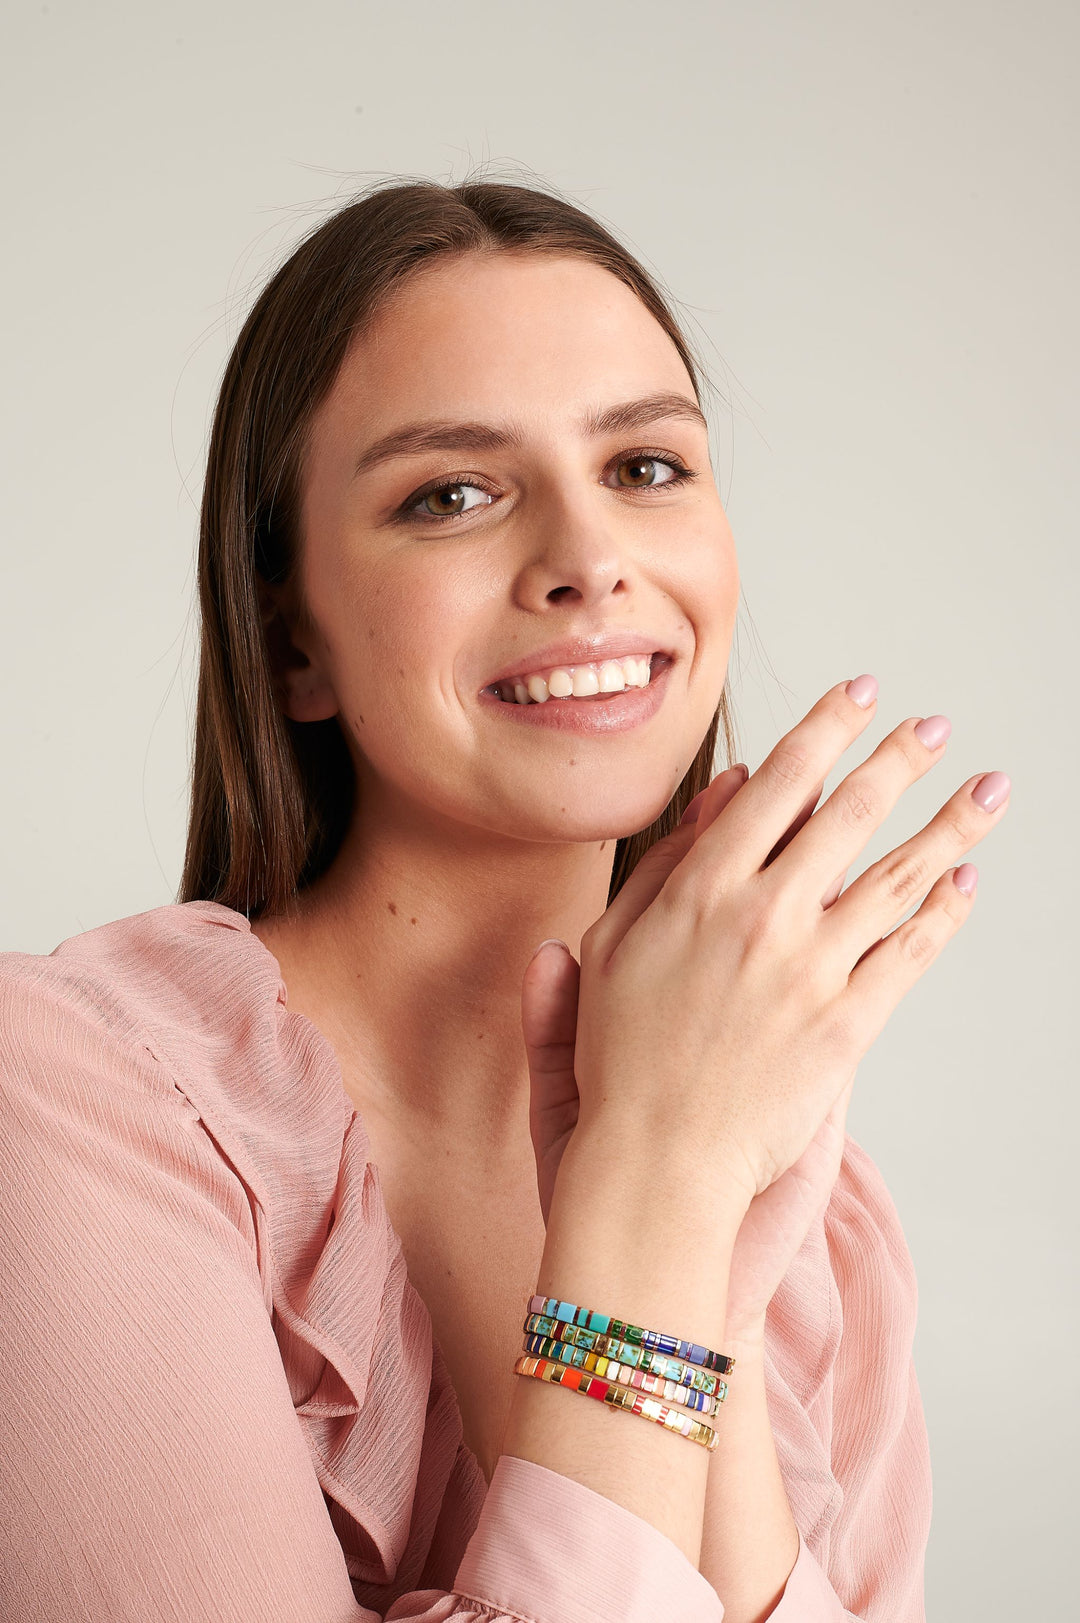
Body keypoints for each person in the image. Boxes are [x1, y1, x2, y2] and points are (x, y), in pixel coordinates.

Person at [0, 175, 1011, 1623]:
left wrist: (708, 1253)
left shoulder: (824, 1234)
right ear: (295, 645)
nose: (591, 558)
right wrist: (655, 1199)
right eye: (453, 494)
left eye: (647, 467)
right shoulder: (68, 1097)